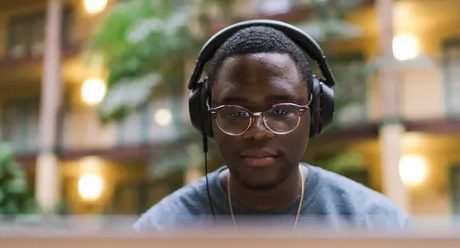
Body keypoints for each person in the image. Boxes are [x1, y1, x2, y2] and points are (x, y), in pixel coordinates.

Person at [134, 20, 409, 231]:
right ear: (206, 118)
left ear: (315, 113)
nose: (258, 132)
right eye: (235, 112)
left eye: (281, 110)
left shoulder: (380, 225)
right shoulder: (158, 232)